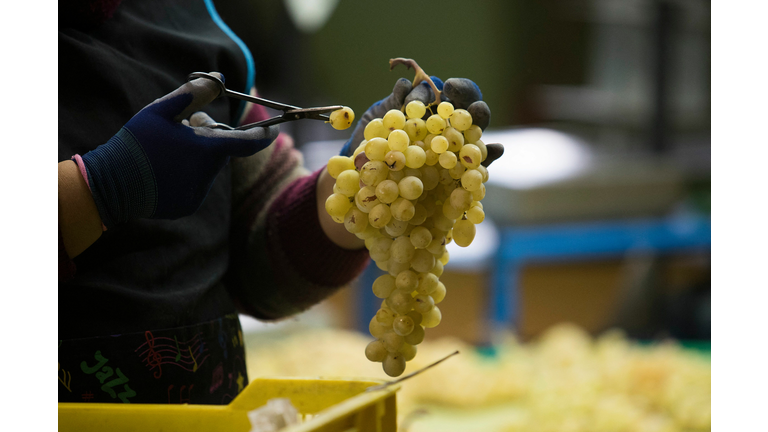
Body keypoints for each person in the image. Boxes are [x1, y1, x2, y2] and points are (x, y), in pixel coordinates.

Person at [58, 0, 498, 405]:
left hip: (215, 414)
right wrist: (101, 188)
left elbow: (259, 251)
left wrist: (358, 188)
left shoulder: (194, 24)